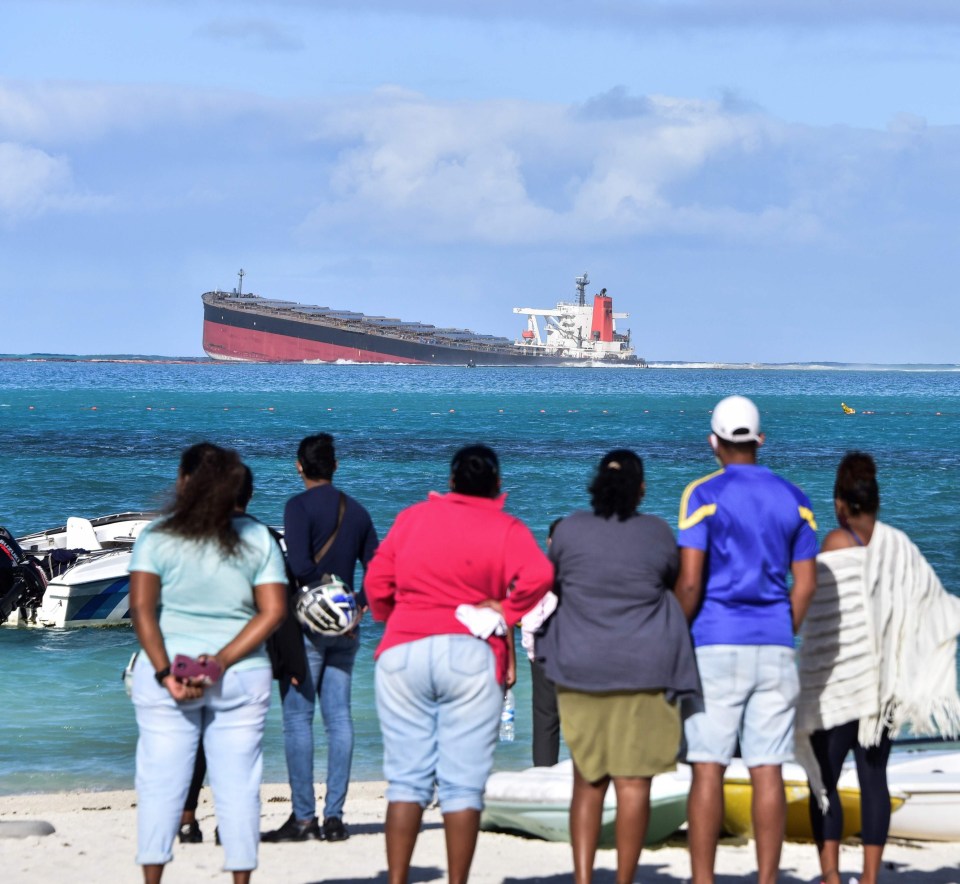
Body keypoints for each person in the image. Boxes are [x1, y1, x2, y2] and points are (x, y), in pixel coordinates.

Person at [365, 444, 554, 884]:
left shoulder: (413, 518)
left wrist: (396, 620)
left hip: (404, 650)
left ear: (450, 482)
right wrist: (505, 611)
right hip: (471, 650)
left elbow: (376, 581)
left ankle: (396, 879)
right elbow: (541, 575)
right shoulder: (505, 526)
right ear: (497, 486)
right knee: (462, 785)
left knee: (407, 781)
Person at [537, 450, 700, 884]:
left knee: (587, 782)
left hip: (580, 669)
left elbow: (550, 584)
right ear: (641, 488)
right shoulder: (659, 534)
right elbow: (680, 585)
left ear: (595, 484)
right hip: (646, 669)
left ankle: (584, 879)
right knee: (633, 786)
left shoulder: (569, 530)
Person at [796, 452, 960, 884]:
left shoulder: (833, 544)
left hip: (838, 688)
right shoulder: (899, 547)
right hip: (882, 692)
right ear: (876, 502)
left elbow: (819, 616)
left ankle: (830, 875)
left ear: (840, 502)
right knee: (874, 778)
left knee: (825, 782)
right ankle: (869, 878)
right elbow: (933, 605)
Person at [674, 395, 818, 884]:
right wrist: (785, 628)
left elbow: (690, 583)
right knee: (767, 768)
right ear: (760, 440)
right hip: (775, 642)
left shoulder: (702, 495)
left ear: (712, 441)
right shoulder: (795, 497)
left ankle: (703, 879)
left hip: (715, 641)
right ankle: (767, 879)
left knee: (708, 766)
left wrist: (676, 636)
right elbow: (806, 583)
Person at [128, 443, 288, 884]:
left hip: (167, 673)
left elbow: (142, 610)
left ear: (183, 482)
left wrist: (165, 672)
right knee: (238, 786)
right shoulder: (257, 536)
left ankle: (153, 878)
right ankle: (240, 879)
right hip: (239, 674)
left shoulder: (157, 535)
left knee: (160, 784)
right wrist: (217, 661)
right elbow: (273, 611)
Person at [262, 433, 378, 844]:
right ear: (335, 466)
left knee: (297, 720)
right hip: (347, 627)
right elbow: (379, 568)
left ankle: (304, 818)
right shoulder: (358, 511)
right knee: (340, 721)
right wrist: (356, 604)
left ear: (299, 466)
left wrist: (322, 599)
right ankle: (335, 817)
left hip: (307, 627)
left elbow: (299, 564)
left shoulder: (297, 506)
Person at [520, 517, 562, 767]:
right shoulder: (584, 571)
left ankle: (545, 775)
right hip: (580, 651)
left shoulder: (539, 572)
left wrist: (531, 651)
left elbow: (530, 621)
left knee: (546, 720)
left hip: (545, 651)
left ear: (548, 542)